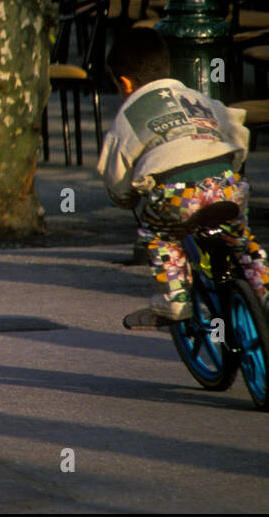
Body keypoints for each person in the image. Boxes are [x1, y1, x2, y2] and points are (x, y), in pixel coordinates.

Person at [97, 27, 267, 320]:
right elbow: (236, 128)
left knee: (159, 234)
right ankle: (264, 291)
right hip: (227, 185)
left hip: (176, 194)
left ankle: (175, 299)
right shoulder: (197, 97)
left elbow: (117, 175)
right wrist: (232, 168)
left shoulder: (129, 115)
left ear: (124, 83)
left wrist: (125, 197)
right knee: (240, 238)